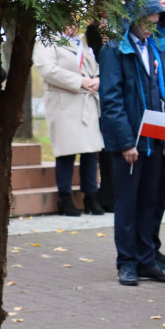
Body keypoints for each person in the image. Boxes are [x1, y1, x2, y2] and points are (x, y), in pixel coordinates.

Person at [99, 0, 165, 287]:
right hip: (130, 143)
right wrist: (125, 142)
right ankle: (127, 263)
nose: (152, 29)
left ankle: (147, 260)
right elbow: (111, 99)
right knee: (128, 204)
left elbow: (163, 94)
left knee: (151, 202)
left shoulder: (156, 48)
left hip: (156, 139)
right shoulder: (114, 49)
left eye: (156, 23)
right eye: (148, 23)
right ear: (134, 20)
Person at [33, 25, 105, 217]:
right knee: (66, 151)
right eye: (67, 20)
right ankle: (65, 198)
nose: (72, 26)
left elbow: (94, 65)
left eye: (74, 21)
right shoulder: (47, 42)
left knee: (91, 151)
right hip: (64, 101)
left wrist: (98, 78)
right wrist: (79, 81)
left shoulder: (81, 43)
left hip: (87, 100)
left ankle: (91, 195)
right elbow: (48, 69)